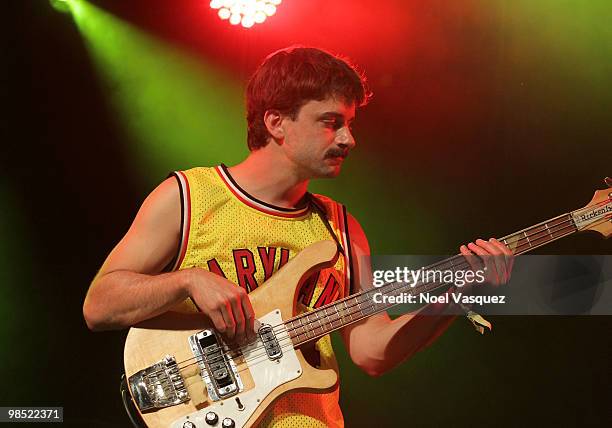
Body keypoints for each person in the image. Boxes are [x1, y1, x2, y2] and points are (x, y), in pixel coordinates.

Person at [83, 46, 513, 427]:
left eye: (348, 123)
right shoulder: (188, 196)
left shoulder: (342, 227)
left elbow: (372, 352)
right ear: (276, 123)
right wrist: (187, 279)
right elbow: (99, 305)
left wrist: (461, 293)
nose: (349, 138)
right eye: (331, 122)